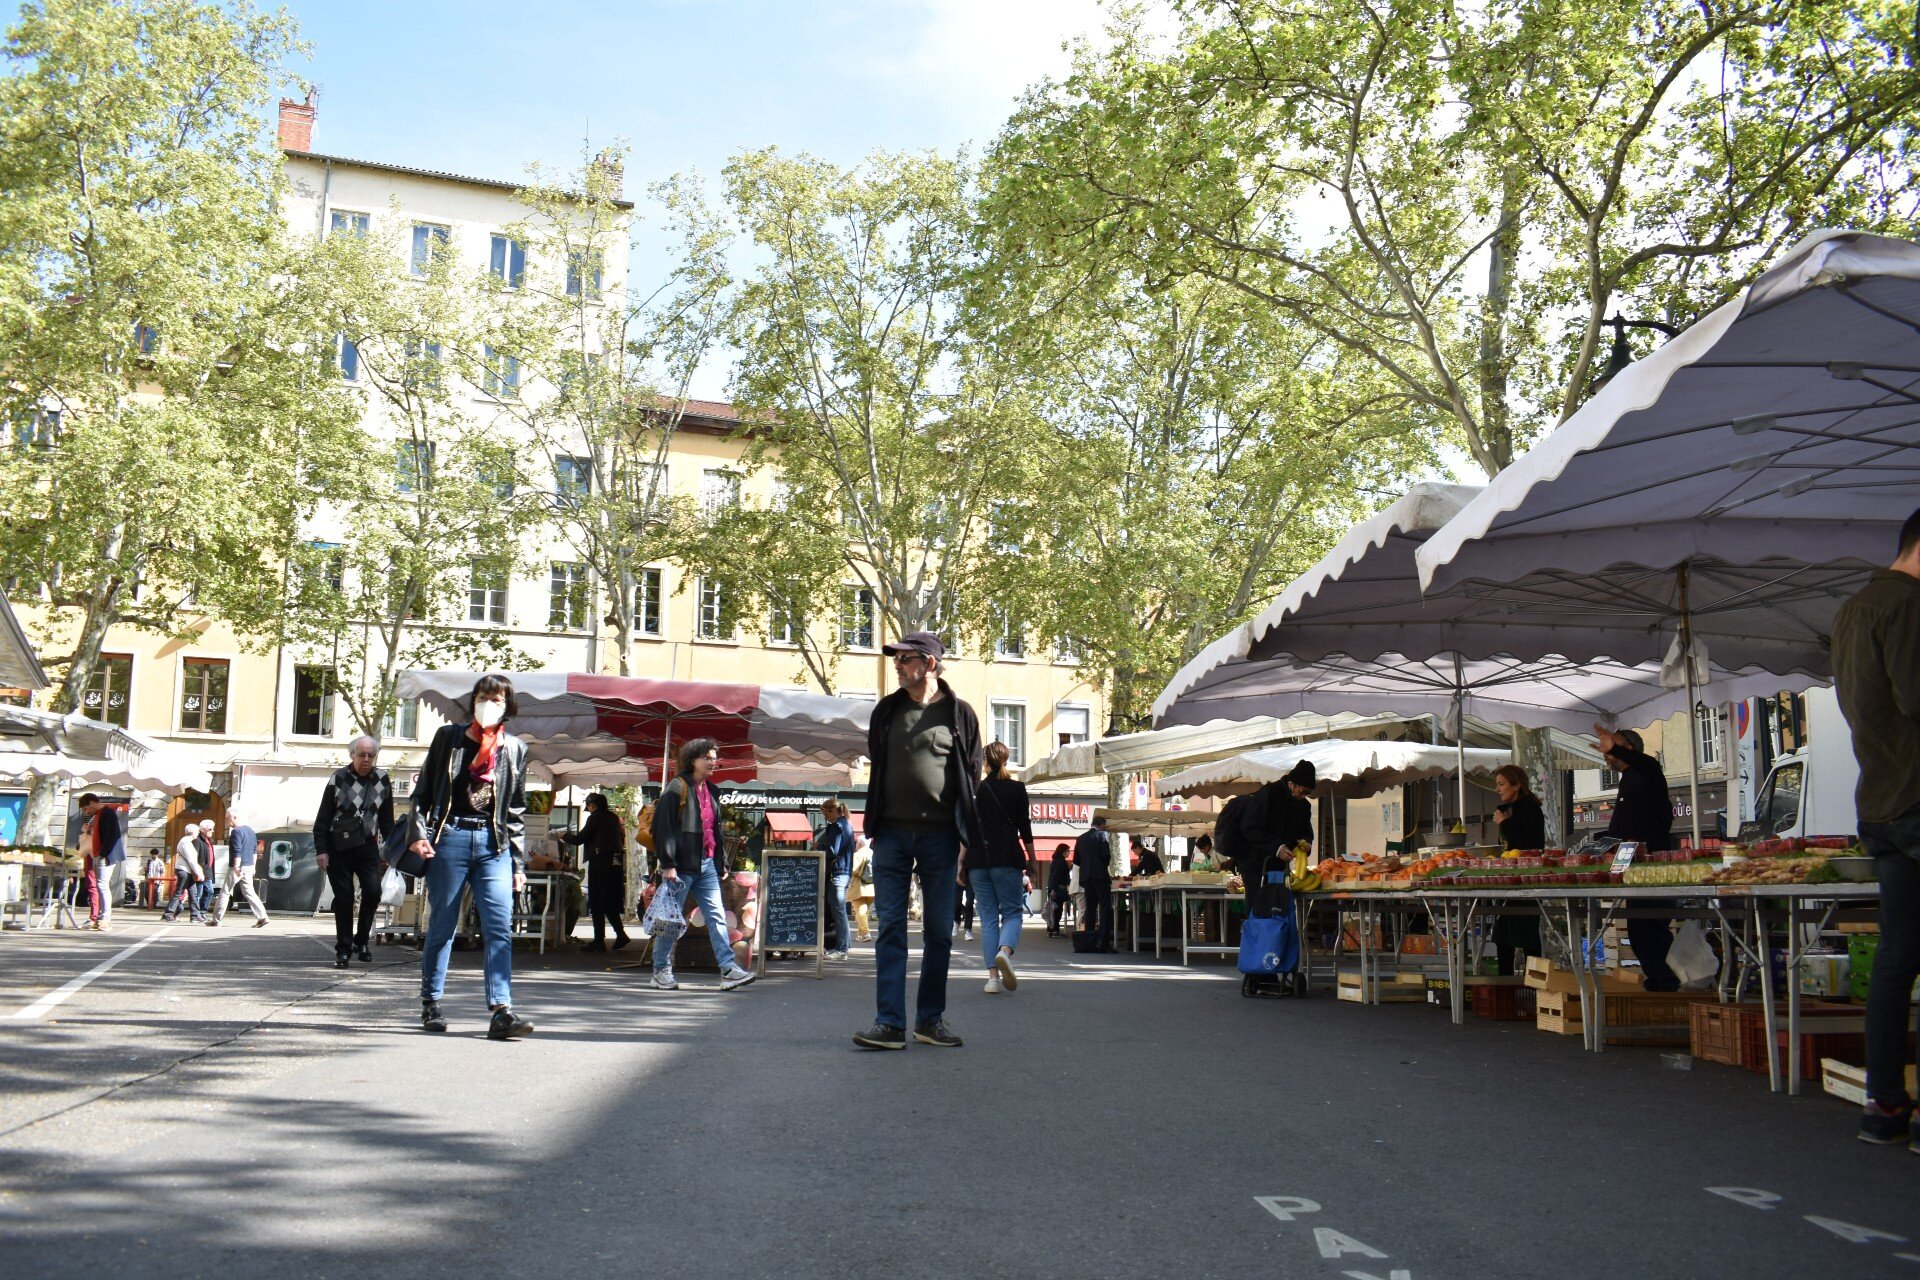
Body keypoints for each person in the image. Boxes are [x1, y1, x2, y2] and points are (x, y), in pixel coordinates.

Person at [1831, 506, 1920, 1147]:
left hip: (1882, 802)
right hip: (1917, 796)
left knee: (1897, 956)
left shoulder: (1853, 611)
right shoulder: (1907, 605)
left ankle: (1884, 1105)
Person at [853, 631, 983, 1051]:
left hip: (941, 838)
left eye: (905, 658)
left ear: (929, 663)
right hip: (890, 833)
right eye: (896, 658)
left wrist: (965, 838)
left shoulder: (960, 715)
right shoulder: (886, 711)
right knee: (890, 926)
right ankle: (889, 1023)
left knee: (939, 932)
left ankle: (930, 1019)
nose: (897, 665)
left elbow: (971, 778)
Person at [409, 675, 535, 1040]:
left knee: (499, 927)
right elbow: (422, 795)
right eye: (483, 697)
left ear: (508, 705)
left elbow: (514, 811)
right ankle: (431, 1001)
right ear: (473, 701)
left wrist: (517, 863)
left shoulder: (514, 749)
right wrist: (419, 835)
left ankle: (501, 1011)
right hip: (450, 838)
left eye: (497, 699)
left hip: (493, 846)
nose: (489, 704)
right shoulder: (448, 739)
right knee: (443, 925)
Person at [649, 738, 758, 992]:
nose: (712, 762)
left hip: (707, 865)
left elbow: (713, 830)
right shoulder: (676, 788)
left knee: (717, 917)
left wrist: (720, 862)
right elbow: (662, 829)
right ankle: (660, 970)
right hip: (682, 866)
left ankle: (729, 970)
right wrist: (668, 864)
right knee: (671, 920)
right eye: (707, 757)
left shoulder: (712, 790)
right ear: (692, 760)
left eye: (713, 757)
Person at [1594, 723, 1678, 991]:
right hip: (1632, 864)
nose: (1606, 754)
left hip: (1651, 864)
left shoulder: (1647, 771)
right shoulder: (1628, 780)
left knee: (1650, 927)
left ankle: (1667, 981)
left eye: (1613, 747)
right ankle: (1660, 980)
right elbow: (1623, 827)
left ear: (1628, 748)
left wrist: (1615, 748)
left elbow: (1647, 763)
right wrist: (1602, 844)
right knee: (1639, 928)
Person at [314, 735, 397, 969]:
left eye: (371, 755)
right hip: (338, 846)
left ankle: (361, 941)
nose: (367, 759)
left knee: (373, 892)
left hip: (367, 845)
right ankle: (343, 949)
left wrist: (392, 850)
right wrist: (322, 850)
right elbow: (323, 818)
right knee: (344, 898)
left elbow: (387, 820)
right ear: (352, 755)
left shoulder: (382, 779)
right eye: (362, 755)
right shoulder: (338, 778)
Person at [970, 741, 1035, 993]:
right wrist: (1030, 858)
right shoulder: (1017, 788)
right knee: (1012, 912)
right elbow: (1025, 828)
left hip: (978, 859)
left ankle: (993, 979)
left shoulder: (977, 789)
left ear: (985, 761)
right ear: (1006, 760)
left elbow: (969, 828)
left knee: (987, 918)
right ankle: (1005, 952)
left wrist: (961, 862)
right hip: (1006, 857)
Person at [1489, 764, 1546, 975]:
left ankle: (1531, 983)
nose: (1498, 789)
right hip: (1518, 877)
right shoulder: (1520, 806)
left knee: (1520, 933)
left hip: (1525, 878)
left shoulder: (1528, 807)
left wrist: (1504, 823)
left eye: (1501, 784)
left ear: (1517, 784)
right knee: (1508, 934)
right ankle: (1524, 983)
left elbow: (1524, 841)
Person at [560, 793, 628, 952]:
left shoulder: (595, 817)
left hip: (601, 861)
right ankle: (621, 934)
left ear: (593, 805)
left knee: (597, 900)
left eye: (589, 807)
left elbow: (580, 839)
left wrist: (563, 835)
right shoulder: (613, 817)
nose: (589, 810)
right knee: (610, 900)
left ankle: (599, 941)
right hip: (615, 862)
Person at [814, 799, 856, 960]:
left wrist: (820, 847)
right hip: (842, 871)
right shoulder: (844, 824)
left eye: (826, 813)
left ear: (833, 811)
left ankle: (842, 949)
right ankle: (842, 947)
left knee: (838, 911)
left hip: (839, 872)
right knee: (838, 910)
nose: (826, 817)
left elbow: (833, 850)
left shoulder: (839, 826)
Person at [212, 811, 270, 928]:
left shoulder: (236, 832)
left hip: (237, 867)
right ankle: (263, 917)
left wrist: (237, 867)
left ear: (234, 817)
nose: (226, 821)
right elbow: (254, 851)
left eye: (227, 818)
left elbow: (237, 851)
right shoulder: (251, 831)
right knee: (250, 892)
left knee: (225, 892)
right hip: (248, 866)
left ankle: (216, 920)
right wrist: (253, 867)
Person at [76, 794, 126, 932]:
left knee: (102, 885)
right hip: (99, 854)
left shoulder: (107, 813)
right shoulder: (98, 815)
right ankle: (100, 918)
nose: (86, 812)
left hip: (106, 855)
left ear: (92, 802)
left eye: (86, 808)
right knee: (100, 885)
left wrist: (103, 852)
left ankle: (105, 919)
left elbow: (113, 834)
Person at [1073, 816, 1114, 952]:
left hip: (1086, 877)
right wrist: (1102, 865)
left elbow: (1076, 860)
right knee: (1104, 907)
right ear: (1102, 825)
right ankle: (1103, 940)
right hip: (1100, 876)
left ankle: (1089, 940)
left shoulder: (1081, 838)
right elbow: (1106, 855)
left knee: (1090, 907)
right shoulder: (1102, 835)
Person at [160, 822, 208, 923]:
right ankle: (168, 914)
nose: (198, 833)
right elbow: (191, 860)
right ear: (192, 832)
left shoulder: (186, 841)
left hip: (185, 870)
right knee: (180, 892)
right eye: (197, 831)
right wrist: (199, 874)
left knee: (192, 893)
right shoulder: (186, 842)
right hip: (184, 870)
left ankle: (194, 915)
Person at [848, 832, 876, 942]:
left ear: (859, 843)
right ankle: (860, 934)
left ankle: (865, 933)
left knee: (860, 910)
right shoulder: (874, 853)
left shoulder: (857, 854)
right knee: (864, 910)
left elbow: (853, 870)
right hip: (872, 886)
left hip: (859, 886)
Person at [1044, 843, 1071, 937]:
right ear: (1063, 851)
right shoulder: (1060, 861)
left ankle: (1052, 930)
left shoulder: (1055, 861)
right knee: (1057, 910)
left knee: (1053, 909)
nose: (1069, 853)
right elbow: (1056, 876)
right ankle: (1055, 931)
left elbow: (1053, 877)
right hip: (1058, 889)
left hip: (1054, 888)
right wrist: (1054, 890)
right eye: (1067, 851)